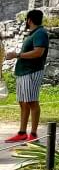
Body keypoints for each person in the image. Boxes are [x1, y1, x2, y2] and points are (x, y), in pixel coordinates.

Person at [3, 10, 49, 143]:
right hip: (23, 72)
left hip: (32, 72)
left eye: (26, 20)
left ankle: (33, 135)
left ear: (29, 20)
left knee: (32, 102)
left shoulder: (40, 33)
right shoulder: (33, 34)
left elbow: (38, 52)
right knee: (23, 102)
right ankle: (22, 132)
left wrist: (17, 55)